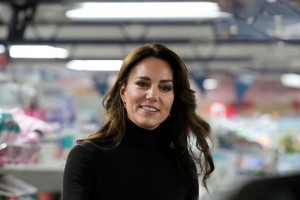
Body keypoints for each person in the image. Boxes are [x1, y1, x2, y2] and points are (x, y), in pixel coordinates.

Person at [62, 43, 215, 200]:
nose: (153, 95)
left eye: (165, 88)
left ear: (174, 100)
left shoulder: (182, 166)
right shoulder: (87, 157)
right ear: (123, 92)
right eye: (142, 84)